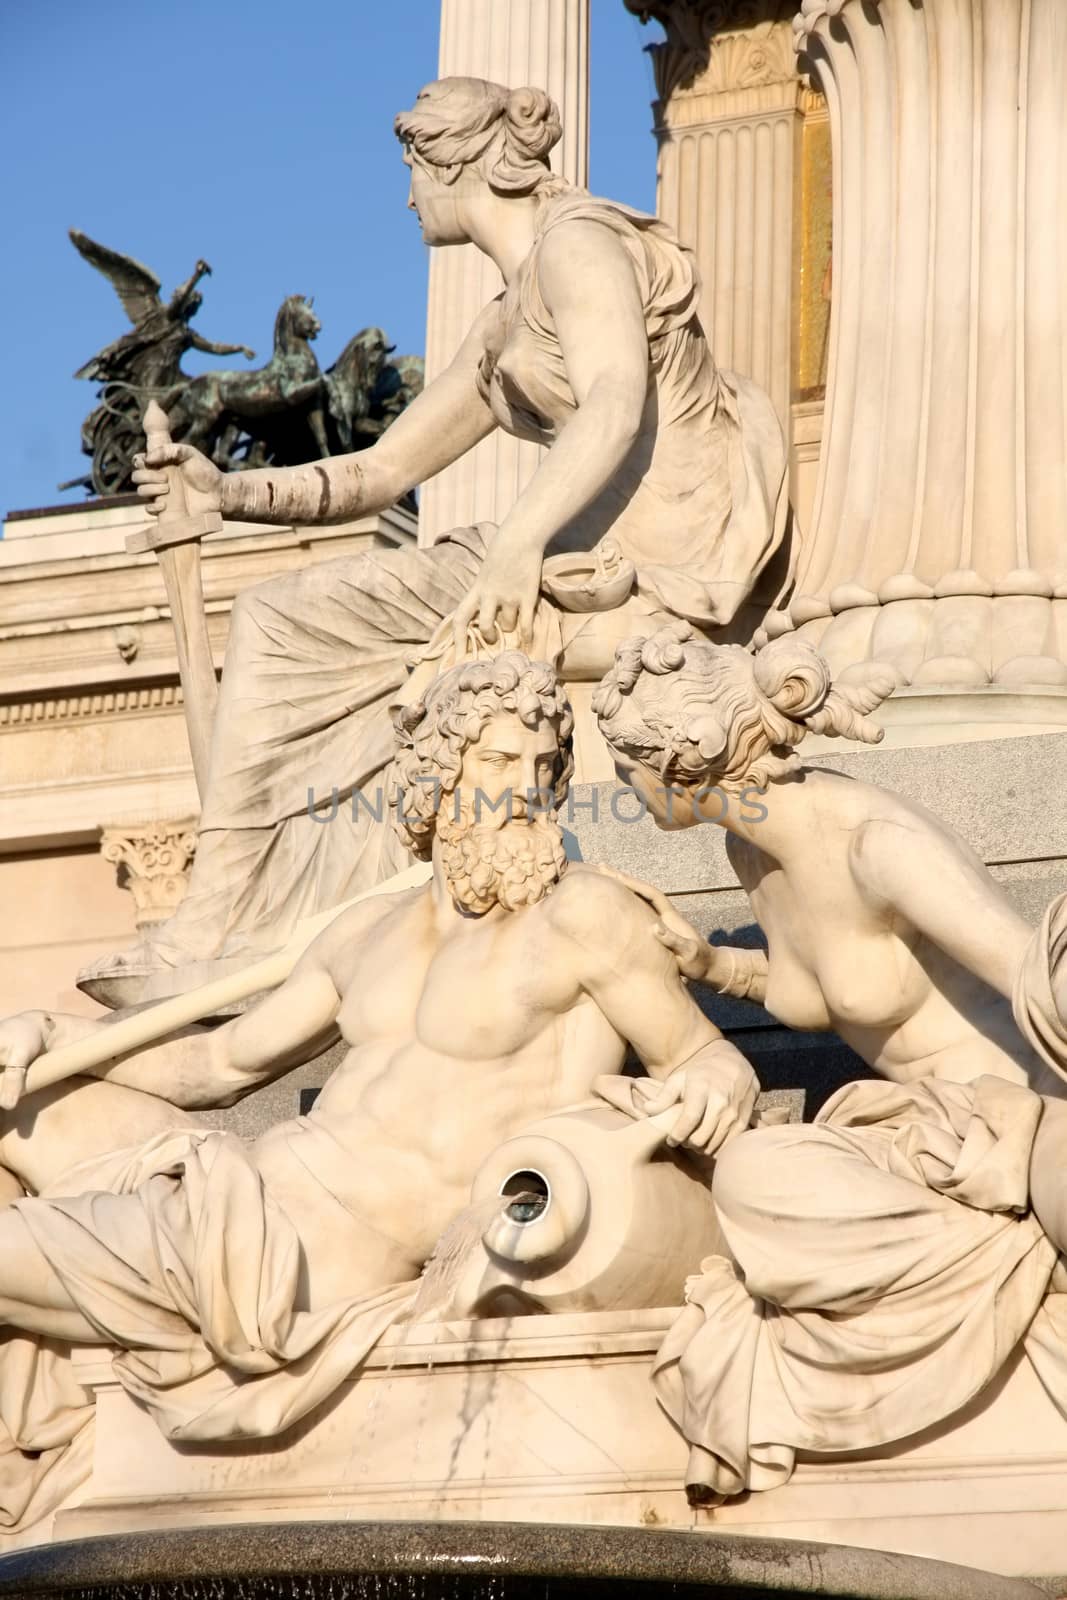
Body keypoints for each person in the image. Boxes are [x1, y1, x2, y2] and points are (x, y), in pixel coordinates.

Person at [0, 652, 757, 1531]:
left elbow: (703, 1056)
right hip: (230, 1187)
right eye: (498, 762)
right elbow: (214, 1068)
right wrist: (50, 1035)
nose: (527, 787)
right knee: (12, 1102)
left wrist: (707, 1080)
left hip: (298, 1263)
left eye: (545, 766)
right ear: (440, 768)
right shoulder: (365, 930)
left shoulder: (581, 915)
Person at [83, 75, 789, 1003]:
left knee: (316, 639)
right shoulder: (505, 318)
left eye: (413, 170)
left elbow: (614, 403)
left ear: (456, 164)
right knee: (273, 616)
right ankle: (234, 911)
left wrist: (515, 548)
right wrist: (225, 490)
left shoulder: (580, 246)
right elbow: (380, 471)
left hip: (651, 554)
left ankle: (226, 917)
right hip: (553, 542)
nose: (406, 195)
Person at [591, 621, 1067, 1502]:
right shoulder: (751, 847)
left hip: (1021, 1115)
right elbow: (809, 982)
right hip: (919, 1133)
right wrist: (707, 966)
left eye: (625, 765)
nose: (620, 786)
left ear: (677, 761)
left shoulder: (872, 844)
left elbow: (1029, 973)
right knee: (757, 1169)